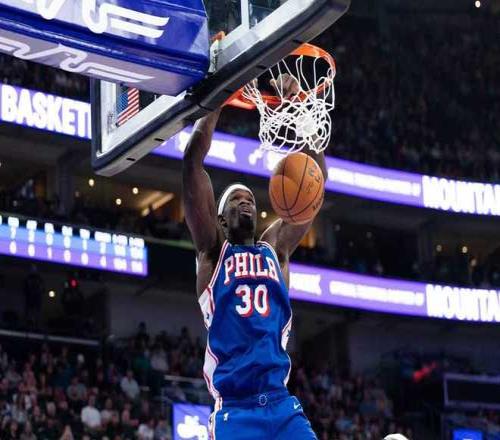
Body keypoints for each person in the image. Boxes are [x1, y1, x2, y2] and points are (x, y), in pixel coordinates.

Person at [182, 74, 323, 439]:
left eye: (250, 200)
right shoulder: (213, 254)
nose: (245, 202)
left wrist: (300, 110)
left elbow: (314, 182)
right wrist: (220, 93)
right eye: (235, 200)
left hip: (282, 404)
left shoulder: (275, 249)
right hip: (236, 409)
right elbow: (193, 163)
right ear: (219, 219)